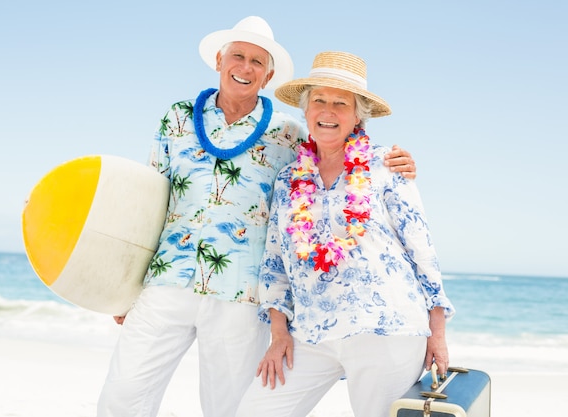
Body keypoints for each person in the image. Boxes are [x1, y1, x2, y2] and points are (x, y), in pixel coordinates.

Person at [97, 17, 417, 417]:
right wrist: (124, 286)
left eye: (256, 62)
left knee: (229, 408)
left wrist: (394, 161)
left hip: (241, 296)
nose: (244, 68)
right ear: (219, 60)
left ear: (267, 76)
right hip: (167, 280)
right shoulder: (177, 117)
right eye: (237, 56)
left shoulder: (289, 134)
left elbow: (339, 160)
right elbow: (151, 199)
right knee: (123, 394)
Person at [236, 51, 455, 417]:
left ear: (357, 117)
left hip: (386, 329)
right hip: (310, 333)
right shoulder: (289, 180)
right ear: (306, 112)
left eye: (341, 103)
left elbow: (422, 251)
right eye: (319, 100)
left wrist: (438, 334)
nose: (328, 110)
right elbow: (274, 262)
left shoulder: (385, 166)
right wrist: (278, 334)